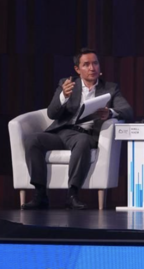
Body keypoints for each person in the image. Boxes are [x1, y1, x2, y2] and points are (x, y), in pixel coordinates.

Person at [21, 48, 134, 210]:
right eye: (86, 64)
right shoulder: (67, 84)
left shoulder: (110, 88)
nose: (92, 68)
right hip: (61, 133)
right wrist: (63, 96)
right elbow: (52, 113)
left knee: (82, 141)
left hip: (84, 135)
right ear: (77, 69)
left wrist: (110, 112)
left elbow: (128, 111)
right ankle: (40, 194)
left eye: (95, 63)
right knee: (32, 140)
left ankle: (72, 195)